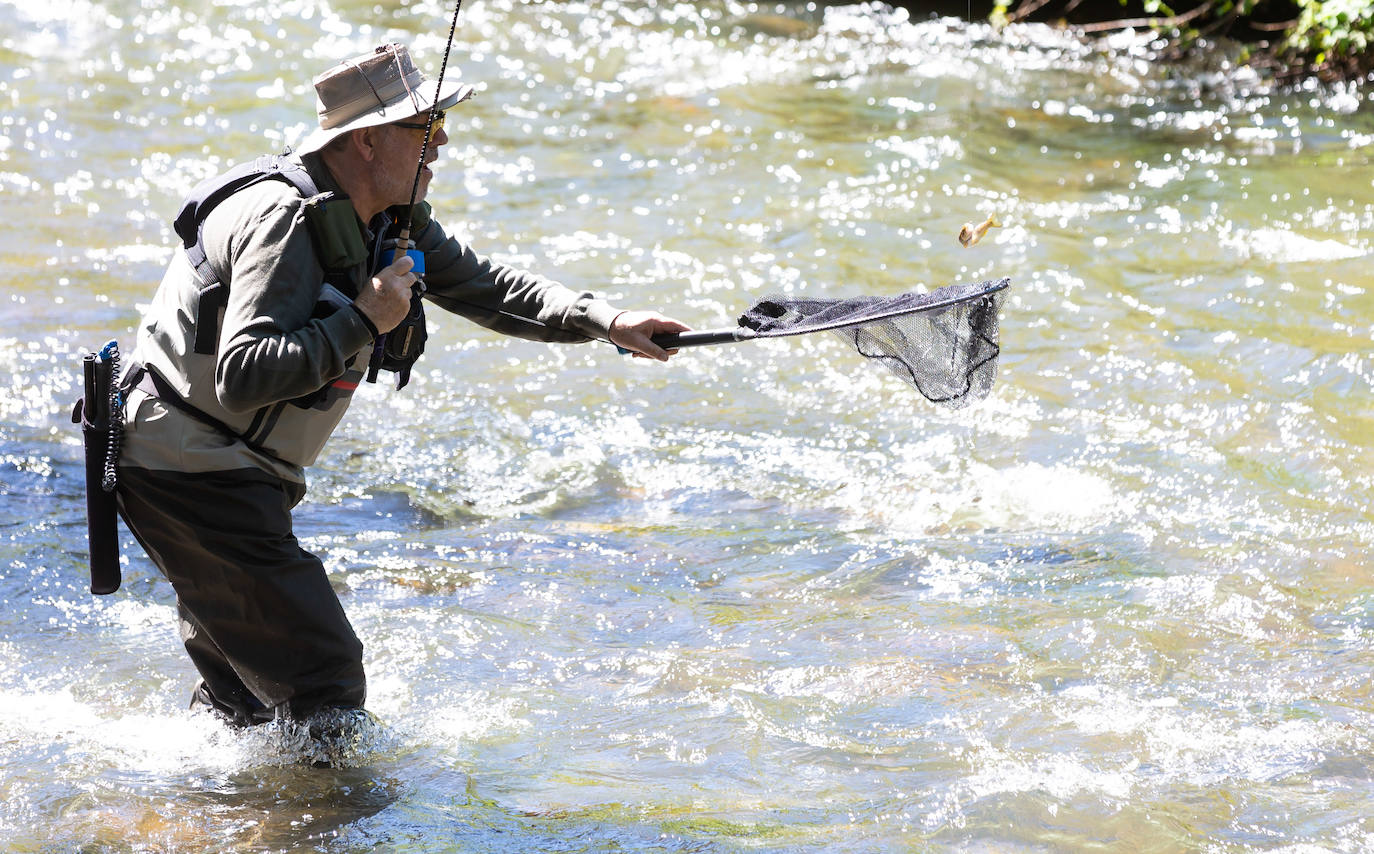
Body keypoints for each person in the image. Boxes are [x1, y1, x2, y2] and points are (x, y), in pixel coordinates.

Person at [114, 43, 688, 726]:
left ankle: (221, 807)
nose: (441, 140)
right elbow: (245, 375)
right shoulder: (285, 219)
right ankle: (322, 823)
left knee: (250, 690)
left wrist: (607, 321)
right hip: (190, 470)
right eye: (424, 126)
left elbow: (489, 287)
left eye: (439, 121)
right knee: (325, 680)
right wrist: (364, 317)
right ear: (363, 142)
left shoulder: (386, 213)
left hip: (221, 469)